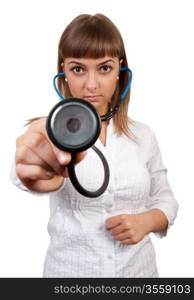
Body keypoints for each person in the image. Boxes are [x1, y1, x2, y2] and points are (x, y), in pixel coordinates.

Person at [10, 13, 178, 277]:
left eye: (104, 68)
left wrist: (146, 221)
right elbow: (28, 168)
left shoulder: (144, 135)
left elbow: (166, 200)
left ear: (120, 70)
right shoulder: (47, 134)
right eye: (78, 69)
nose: (91, 84)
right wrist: (33, 172)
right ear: (63, 71)